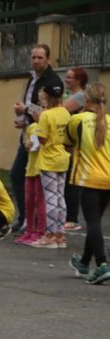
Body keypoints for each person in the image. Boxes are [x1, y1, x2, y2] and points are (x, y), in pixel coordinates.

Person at [10, 44, 63, 231]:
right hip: (28, 134)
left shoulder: (52, 81)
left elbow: (50, 112)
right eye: (33, 57)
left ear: (48, 59)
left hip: (42, 139)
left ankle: (37, 222)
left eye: (40, 58)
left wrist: (26, 110)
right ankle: (25, 217)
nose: (36, 61)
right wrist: (23, 119)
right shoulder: (32, 79)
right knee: (17, 176)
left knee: (36, 182)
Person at [66, 83, 110, 285]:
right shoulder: (109, 122)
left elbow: (67, 143)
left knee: (92, 222)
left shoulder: (78, 120)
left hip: (89, 178)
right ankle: (84, 262)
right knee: (96, 222)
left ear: (87, 99)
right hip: (108, 177)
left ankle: (101, 264)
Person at [31, 83, 71, 249]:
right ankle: (60, 234)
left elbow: (42, 139)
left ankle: (49, 235)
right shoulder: (66, 113)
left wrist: (37, 121)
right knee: (60, 196)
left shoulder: (46, 115)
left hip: (48, 159)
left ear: (47, 97)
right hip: (63, 157)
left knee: (50, 197)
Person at [14, 114, 46, 246]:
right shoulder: (32, 127)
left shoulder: (45, 127)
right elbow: (28, 145)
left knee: (39, 201)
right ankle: (29, 229)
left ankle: (41, 231)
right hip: (30, 169)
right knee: (29, 201)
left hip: (41, 168)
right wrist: (28, 145)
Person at [63, 66, 89, 231]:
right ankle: (66, 215)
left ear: (78, 80)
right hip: (66, 141)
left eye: (70, 77)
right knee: (65, 181)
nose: (66, 80)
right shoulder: (68, 95)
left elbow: (62, 110)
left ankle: (72, 218)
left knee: (71, 182)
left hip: (75, 143)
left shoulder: (80, 96)